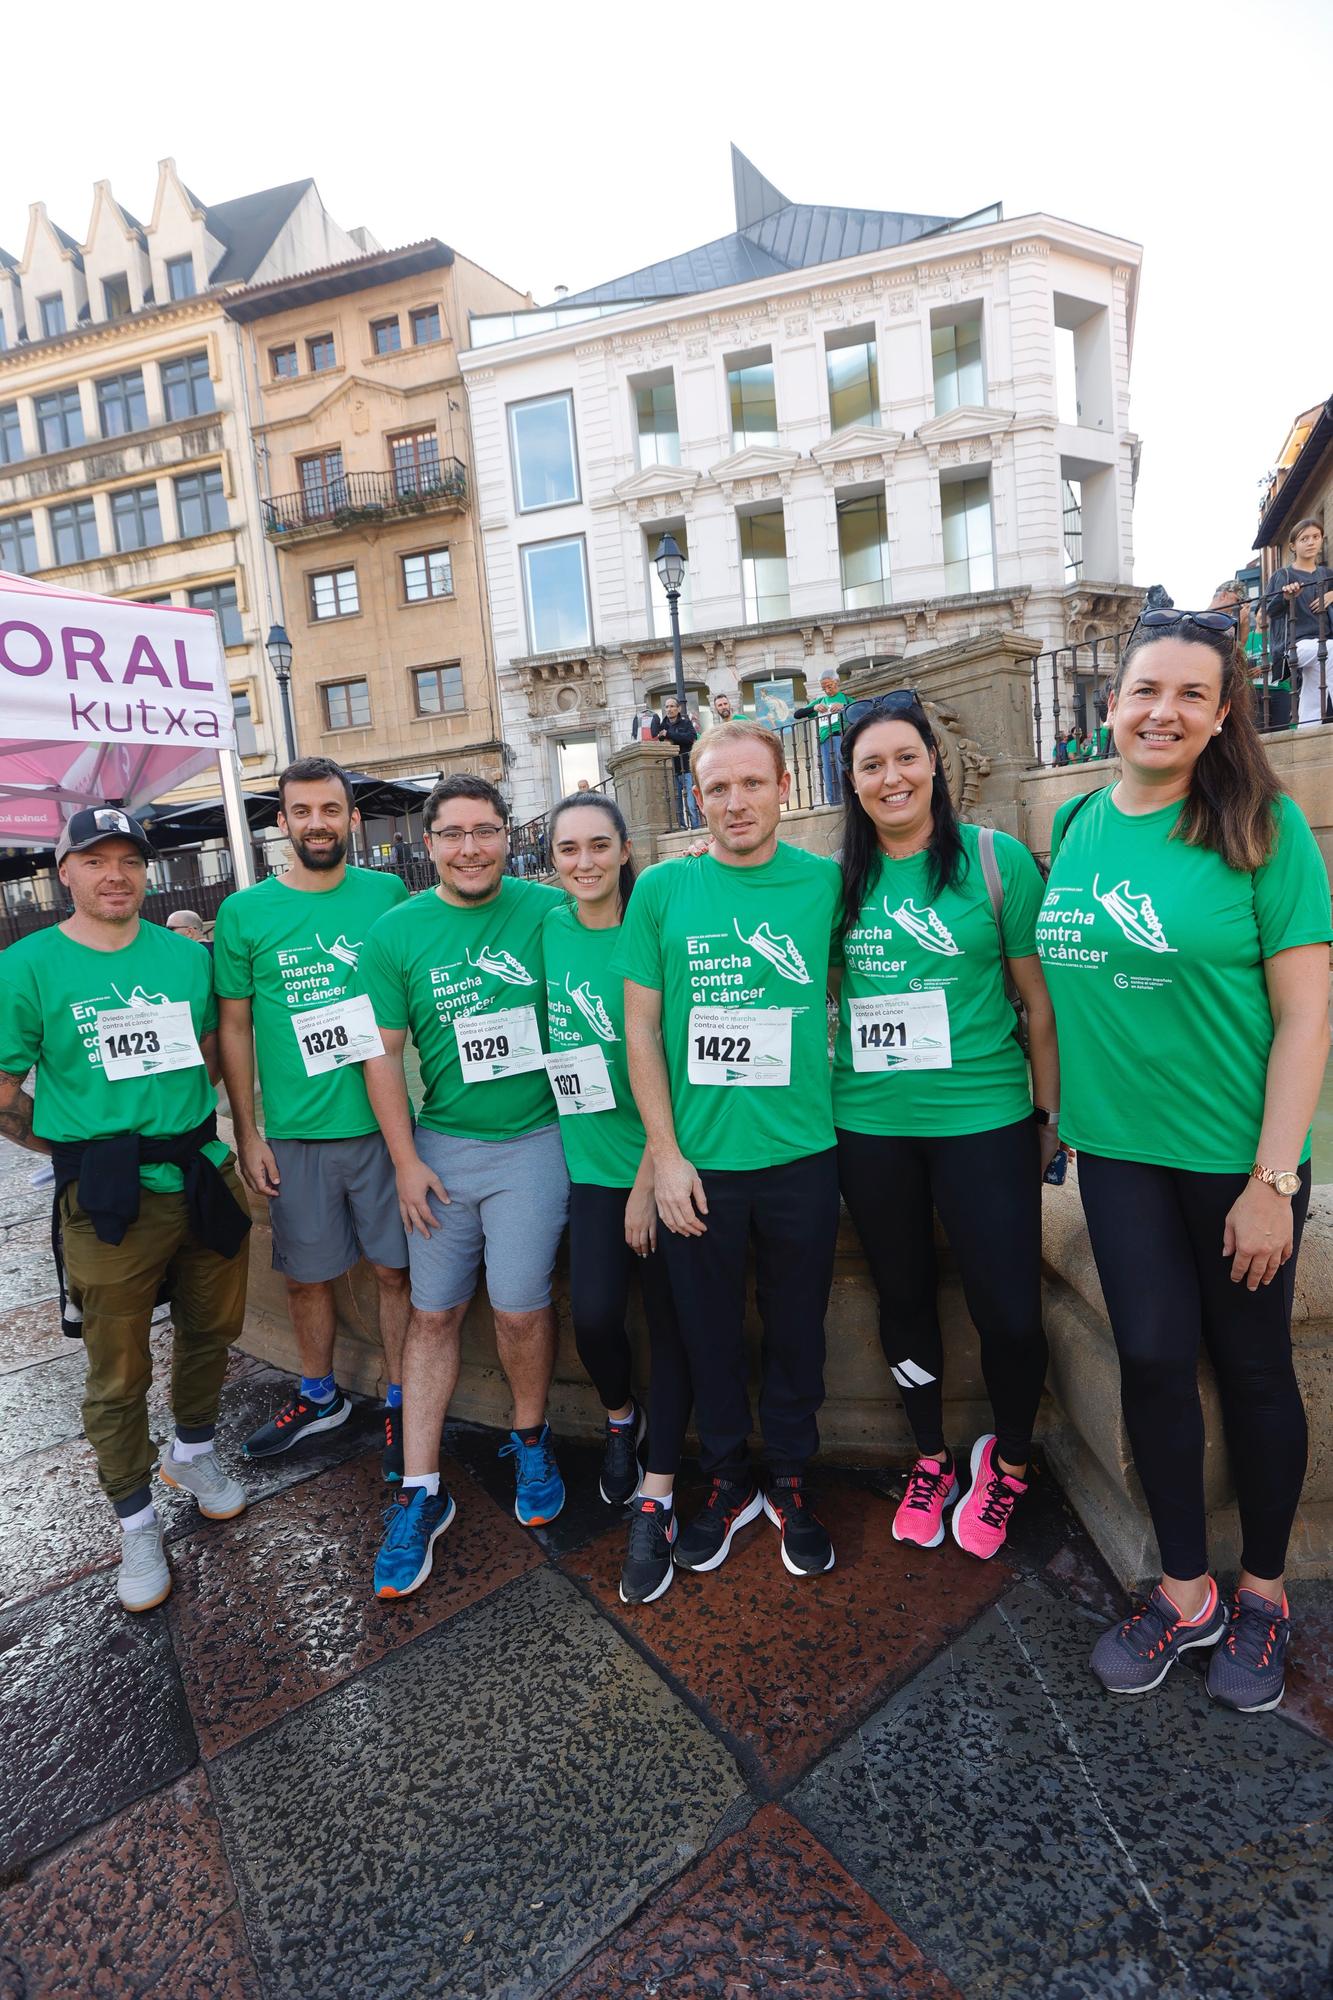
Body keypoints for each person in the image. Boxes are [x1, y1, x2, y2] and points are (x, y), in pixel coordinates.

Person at [1039, 607, 1332, 1712]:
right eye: (1143, 689)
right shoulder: (1075, 829)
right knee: (1154, 1361)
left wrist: (1273, 1181)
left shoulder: (1262, 827)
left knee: (1254, 1370)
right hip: (1116, 1157)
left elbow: (1307, 1018)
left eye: (1189, 695)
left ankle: (1262, 1592)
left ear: (1219, 717)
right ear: (1109, 703)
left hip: (1231, 1156)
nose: (1162, 710)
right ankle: (1182, 1588)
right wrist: (1055, 1111)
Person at [0, 807, 251, 1613]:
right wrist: (69, 1154)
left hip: (200, 1172)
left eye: (129, 860)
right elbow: (5, 1093)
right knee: (117, 1368)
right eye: (95, 859)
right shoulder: (27, 967)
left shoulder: (184, 958)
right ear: (63, 871)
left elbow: (214, 1050)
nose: (116, 874)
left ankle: (194, 1451)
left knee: (214, 1330)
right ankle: (136, 1520)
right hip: (107, 1200)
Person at [831, 693, 1060, 1561]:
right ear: (851, 784)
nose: (891, 777)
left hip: (984, 1120)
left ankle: (1006, 1460)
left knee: (1007, 1312)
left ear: (935, 763)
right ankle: (928, 1456)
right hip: (870, 1125)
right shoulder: (834, 884)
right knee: (902, 1297)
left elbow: (1039, 1007)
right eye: (870, 765)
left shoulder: (995, 863)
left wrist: (1048, 1120)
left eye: (904, 758)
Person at [618, 719, 843, 1578]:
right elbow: (639, 1031)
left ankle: (788, 1477)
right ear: (696, 799)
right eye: (717, 788)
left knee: (797, 1331)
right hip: (699, 1163)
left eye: (752, 784)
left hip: (801, 1154)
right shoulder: (664, 892)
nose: (735, 802)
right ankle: (725, 1480)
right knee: (706, 1334)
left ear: (783, 787)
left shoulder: (825, 883)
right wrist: (665, 1156)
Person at [358, 774, 569, 1598]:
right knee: (432, 1312)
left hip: (536, 1143)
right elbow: (380, 1053)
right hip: (442, 1148)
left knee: (520, 1310)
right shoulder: (396, 932)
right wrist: (407, 1160)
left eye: (484, 831)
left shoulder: (545, 910)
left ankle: (530, 1440)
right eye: (452, 833)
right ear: (429, 843)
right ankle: (420, 1491)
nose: (470, 847)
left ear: (507, 835)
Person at [213, 758, 412, 1479]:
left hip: (384, 1130)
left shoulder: (388, 894)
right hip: (295, 1135)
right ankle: (319, 1395)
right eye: (303, 811)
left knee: (397, 1275)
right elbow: (234, 1028)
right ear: (283, 823)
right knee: (304, 1279)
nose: (318, 823)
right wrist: (248, 1128)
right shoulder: (244, 914)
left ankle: (399, 1399)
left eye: (331, 810)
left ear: (352, 819)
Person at [543, 791, 694, 1603]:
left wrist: (648, 1178)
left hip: (660, 1164)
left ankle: (657, 1494)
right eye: (568, 850)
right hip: (586, 1166)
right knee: (595, 1316)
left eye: (599, 846)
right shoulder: (546, 927)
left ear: (625, 849)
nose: (585, 863)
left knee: (671, 1326)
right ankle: (617, 1418)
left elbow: (670, 1058)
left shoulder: (658, 926)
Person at [1260, 518, 1333, 726]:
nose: (1311, 542)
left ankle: (1307, 732)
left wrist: (1331, 595)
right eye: (1304, 539)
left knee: (1314, 688)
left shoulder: (1326, 574)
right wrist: (1286, 597)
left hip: (1324, 643)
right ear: (1293, 546)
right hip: (1294, 645)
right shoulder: (1283, 574)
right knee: (1332, 650)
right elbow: (1265, 611)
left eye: (1315, 537)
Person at [657, 695, 700, 830]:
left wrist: (669, 734)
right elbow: (661, 744)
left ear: (678, 708)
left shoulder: (685, 723)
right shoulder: (661, 725)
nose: (669, 709)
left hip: (686, 768)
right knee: (677, 803)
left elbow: (691, 738)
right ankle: (681, 826)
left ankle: (696, 828)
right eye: (667, 706)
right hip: (671, 770)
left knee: (691, 803)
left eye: (672, 706)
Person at [811, 667, 850, 805]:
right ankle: (834, 803)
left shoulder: (845, 698)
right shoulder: (821, 700)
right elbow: (798, 714)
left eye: (830, 686)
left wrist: (843, 706)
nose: (827, 690)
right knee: (829, 774)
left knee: (842, 771)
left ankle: (849, 801)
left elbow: (857, 710)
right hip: (824, 741)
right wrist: (814, 708)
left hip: (839, 737)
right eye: (824, 688)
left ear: (836, 682)